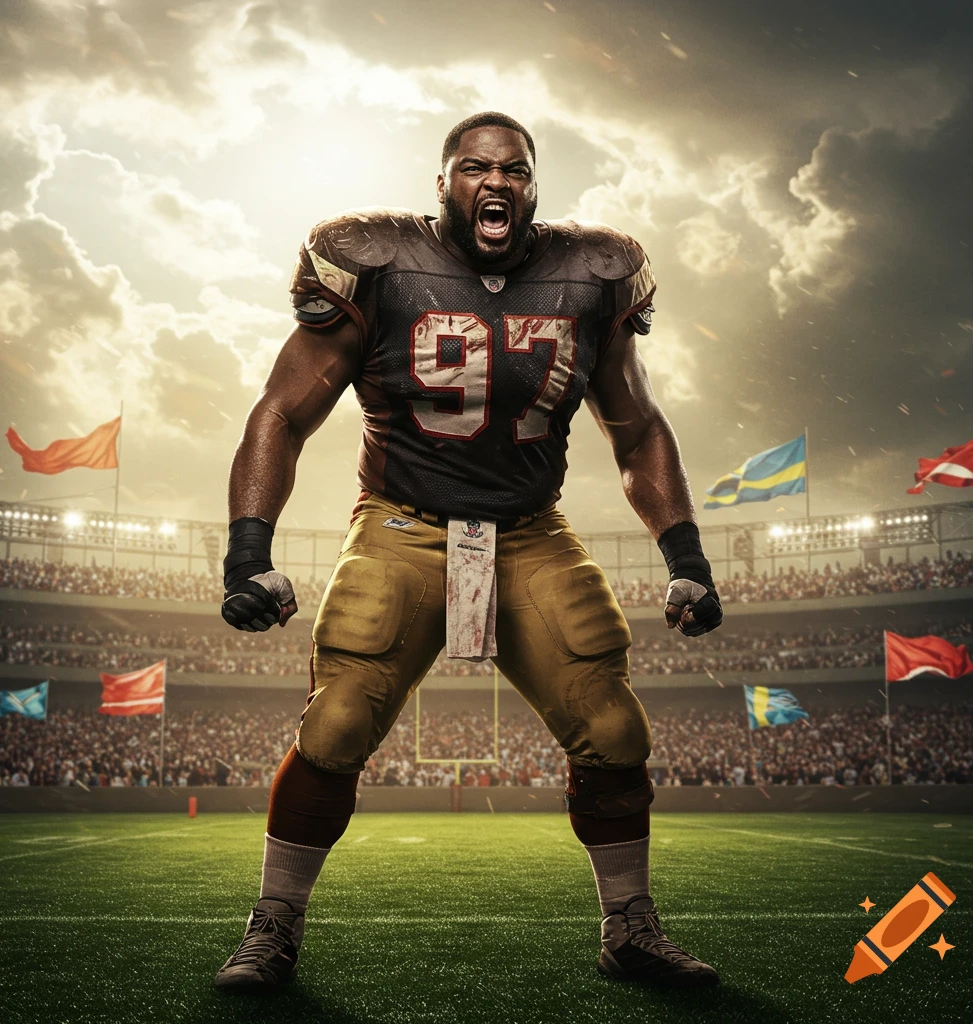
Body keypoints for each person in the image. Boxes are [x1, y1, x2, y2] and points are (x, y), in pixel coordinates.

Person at [215, 111, 723, 993]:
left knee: (612, 726)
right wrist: (246, 550)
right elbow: (283, 412)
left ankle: (630, 928)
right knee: (334, 724)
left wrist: (686, 557)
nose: (498, 182)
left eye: (516, 170)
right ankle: (272, 928)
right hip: (402, 523)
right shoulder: (374, 262)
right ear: (443, 180)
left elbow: (637, 429)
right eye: (475, 167)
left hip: (529, 528)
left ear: (534, 185)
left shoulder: (591, 274)